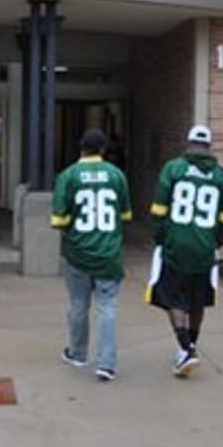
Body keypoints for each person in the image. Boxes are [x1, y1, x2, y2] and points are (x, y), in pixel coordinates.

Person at [145, 124, 223, 378]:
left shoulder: (173, 169)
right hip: (205, 247)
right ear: (209, 147)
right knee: (197, 301)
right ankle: (190, 346)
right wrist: (217, 241)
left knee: (174, 298)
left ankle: (185, 348)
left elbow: (159, 210)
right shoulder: (221, 176)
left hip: (176, 244)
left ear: (188, 143)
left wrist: (161, 237)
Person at [51, 128, 133, 382]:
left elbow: (58, 219)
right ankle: (106, 364)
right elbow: (126, 216)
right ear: (103, 150)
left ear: (81, 148)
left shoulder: (69, 175)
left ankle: (77, 354)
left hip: (78, 252)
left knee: (78, 305)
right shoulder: (117, 175)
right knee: (107, 307)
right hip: (108, 254)